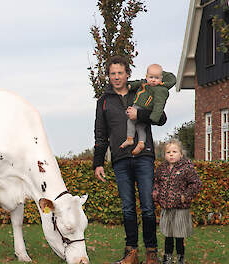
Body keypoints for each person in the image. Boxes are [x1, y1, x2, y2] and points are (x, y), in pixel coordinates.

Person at [93, 55, 175, 264]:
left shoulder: (142, 90)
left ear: (128, 73)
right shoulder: (103, 101)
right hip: (120, 159)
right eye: (113, 73)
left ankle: (151, 252)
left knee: (147, 206)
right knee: (128, 207)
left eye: (120, 72)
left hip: (144, 156)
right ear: (108, 76)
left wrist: (140, 116)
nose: (117, 77)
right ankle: (131, 252)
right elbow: (100, 134)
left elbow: (162, 118)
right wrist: (98, 163)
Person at [152, 140, 201, 264]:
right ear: (164, 155)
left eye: (174, 151)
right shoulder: (161, 168)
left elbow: (196, 184)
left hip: (180, 208)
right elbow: (156, 182)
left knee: (179, 234)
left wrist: (185, 196)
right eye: (168, 152)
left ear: (181, 154)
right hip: (166, 207)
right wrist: (156, 194)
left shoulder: (187, 167)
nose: (171, 154)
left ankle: (180, 257)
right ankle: (167, 257)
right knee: (168, 234)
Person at [119, 64, 173, 155]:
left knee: (130, 121)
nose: (153, 80)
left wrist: (152, 117)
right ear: (147, 76)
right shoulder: (145, 83)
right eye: (151, 77)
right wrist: (130, 86)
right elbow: (137, 83)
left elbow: (159, 106)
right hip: (139, 107)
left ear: (161, 79)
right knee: (140, 127)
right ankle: (141, 143)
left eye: (156, 78)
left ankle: (129, 139)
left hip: (142, 108)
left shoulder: (160, 90)